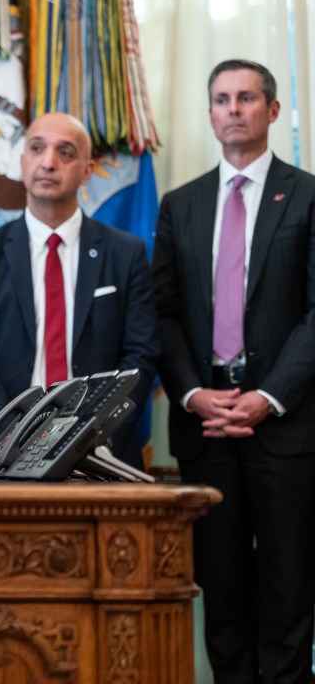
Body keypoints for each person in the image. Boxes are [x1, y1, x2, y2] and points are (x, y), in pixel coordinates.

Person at [154, 59, 315, 682]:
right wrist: (192, 393)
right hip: (208, 425)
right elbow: (162, 314)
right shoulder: (181, 205)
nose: (233, 109)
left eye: (247, 98)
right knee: (220, 595)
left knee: (288, 593)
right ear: (211, 112)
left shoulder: (306, 194)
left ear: (272, 110)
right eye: (221, 99)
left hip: (286, 425)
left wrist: (271, 395)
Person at [0, 112, 158, 468]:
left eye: (65, 153)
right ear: (22, 162)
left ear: (87, 171)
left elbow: (140, 355)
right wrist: (14, 434)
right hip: (1, 453)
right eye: (37, 149)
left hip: (100, 450)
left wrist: (89, 433)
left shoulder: (125, 253)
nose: (48, 163)